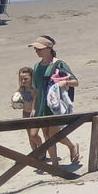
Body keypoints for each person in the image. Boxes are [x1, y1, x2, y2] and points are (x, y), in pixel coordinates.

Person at [29, 36, 81, 166]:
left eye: (39, 48)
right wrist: (34, 108)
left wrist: (65, 82)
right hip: (41, 105)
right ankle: (55, 165)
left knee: (53, 135)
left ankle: (71, 146)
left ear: (48, 49)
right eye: (35, 48)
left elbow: (75, 82)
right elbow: (36, 89)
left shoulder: (59, 64)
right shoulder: (37, 66)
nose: (36, 51)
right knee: (46, 135)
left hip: (54, 106)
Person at [14, 66, 42, 152]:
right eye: (21, 79)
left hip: (33, 114)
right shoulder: (22, 89)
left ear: (31, 78)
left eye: (26, 79)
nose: (23, 81)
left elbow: (34, 100)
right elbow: (16, 97)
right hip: (25, 113)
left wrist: (33, 110)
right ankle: (35, 152)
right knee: (29, 136)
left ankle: (42, 149)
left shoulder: (34, 89)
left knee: (33, 134)